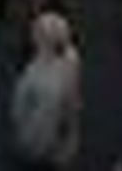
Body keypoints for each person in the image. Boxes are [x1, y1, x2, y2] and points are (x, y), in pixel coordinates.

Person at [9, 10, 81, 166]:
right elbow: (73, 98)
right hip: (61, 133)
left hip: (37, 134)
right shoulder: (71, 58)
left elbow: (18, 109)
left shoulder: (32, 75)